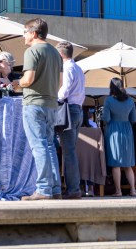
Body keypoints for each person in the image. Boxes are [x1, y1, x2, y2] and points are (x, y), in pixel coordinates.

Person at [12, 18, 63, 201]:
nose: (23, 36)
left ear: (33, 33)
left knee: (38, 146)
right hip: (51, 104)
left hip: (34, 103)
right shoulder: (56, 53)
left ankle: (43, 189)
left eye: (25, 32)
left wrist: (17, 84)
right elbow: (60, 83)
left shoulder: (32, 51)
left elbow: (28, 79)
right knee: (49, 146)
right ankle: (55, 188)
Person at [56, 41, 85, 200]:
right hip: (78, 109)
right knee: (71, 150)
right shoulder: (79, 69)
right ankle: (74, 187)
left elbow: (65, 89)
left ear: (60, 54)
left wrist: (56, 99)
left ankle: (73, 189)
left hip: (69, 109)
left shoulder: (67, 68)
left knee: (69, 152)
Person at [103, 78, 136, 197]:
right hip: (127, 131)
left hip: (114, 131)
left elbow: (106, 119)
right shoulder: (131, 100)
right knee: (128, 165)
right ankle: (133, 190)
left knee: (116, 163)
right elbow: (134, 119)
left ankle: (118, 191)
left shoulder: (108, 100)